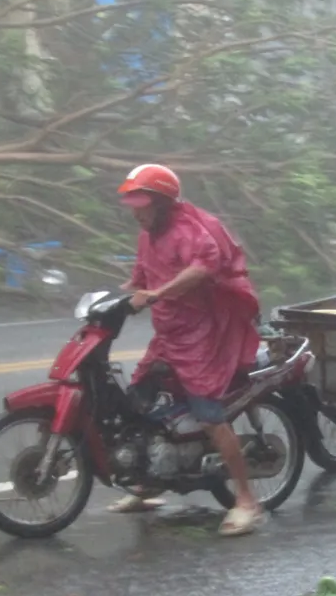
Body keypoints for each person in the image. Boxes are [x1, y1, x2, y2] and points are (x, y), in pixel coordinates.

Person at [108, 163, 264, 537]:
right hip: (169, 333)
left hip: (203, 335)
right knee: (140, 398)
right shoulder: (149, 234)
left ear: (163, 203)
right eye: (133, 204)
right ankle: (149, 483)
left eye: (143, 204)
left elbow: (202, 268)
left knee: (209, 413)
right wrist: (119, 291)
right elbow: (142, 275)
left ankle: (246, 500)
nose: (136, 210)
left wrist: (160, 293)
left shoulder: (190, 231)